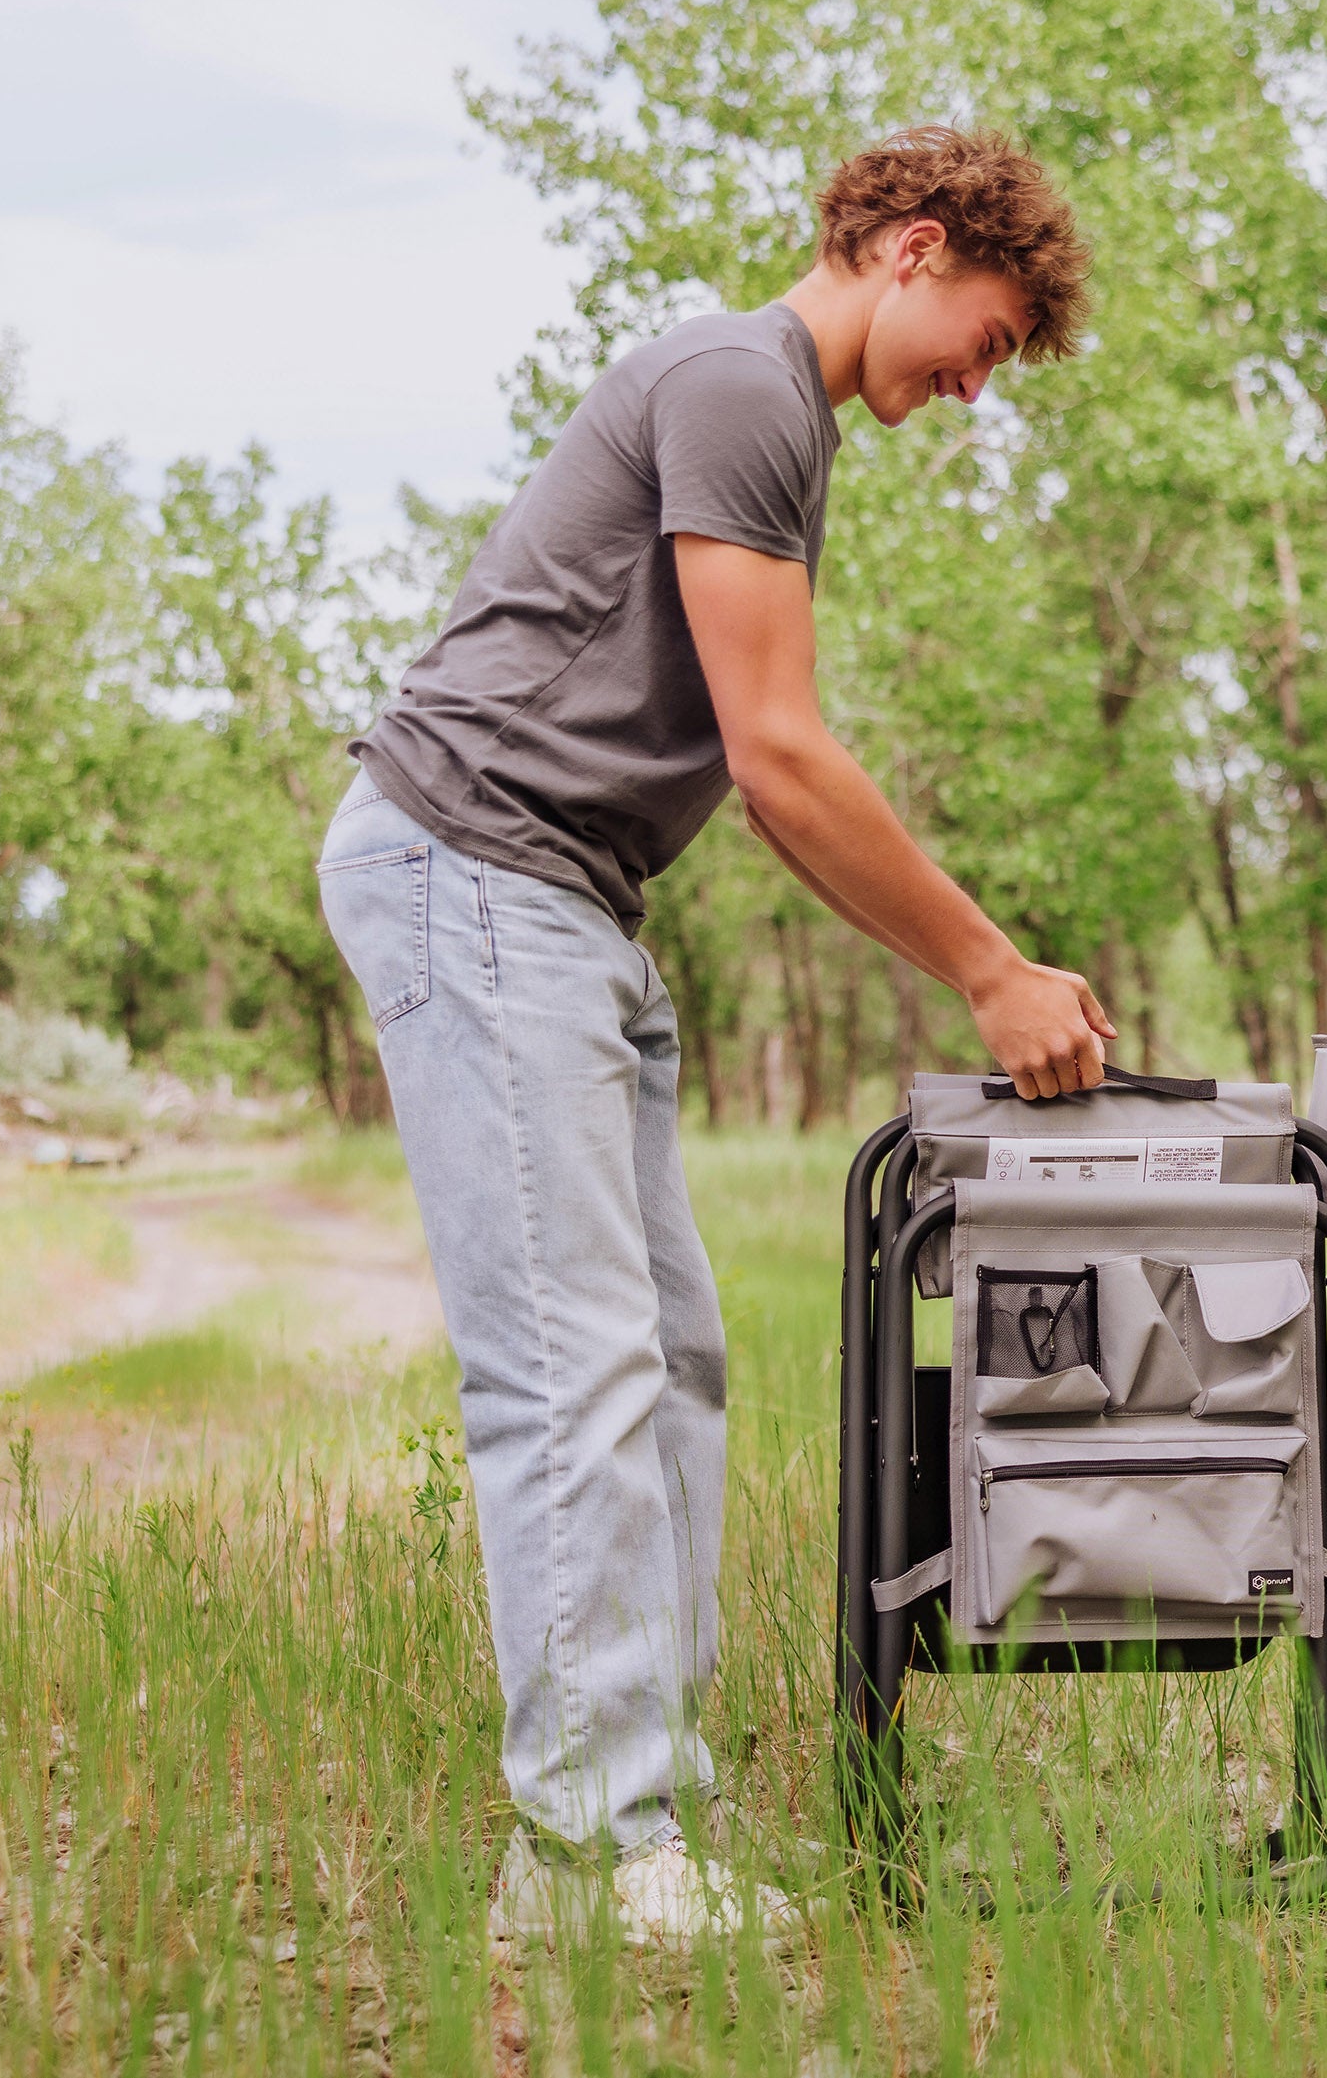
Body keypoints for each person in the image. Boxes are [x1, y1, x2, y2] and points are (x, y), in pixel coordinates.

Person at [317, 126, 1115, 1944]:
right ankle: (589, 1852)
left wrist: (976, 959)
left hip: (566, 897)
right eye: (987, 339)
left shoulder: (777, 416)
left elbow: (765, 771)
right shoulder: (741, 382)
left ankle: (641, 1813)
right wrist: (990, 967)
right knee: (575, 1366)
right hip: (476, 863)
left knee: (668, 1356)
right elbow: (781, 756)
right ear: (913, 249)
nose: (977, 384)